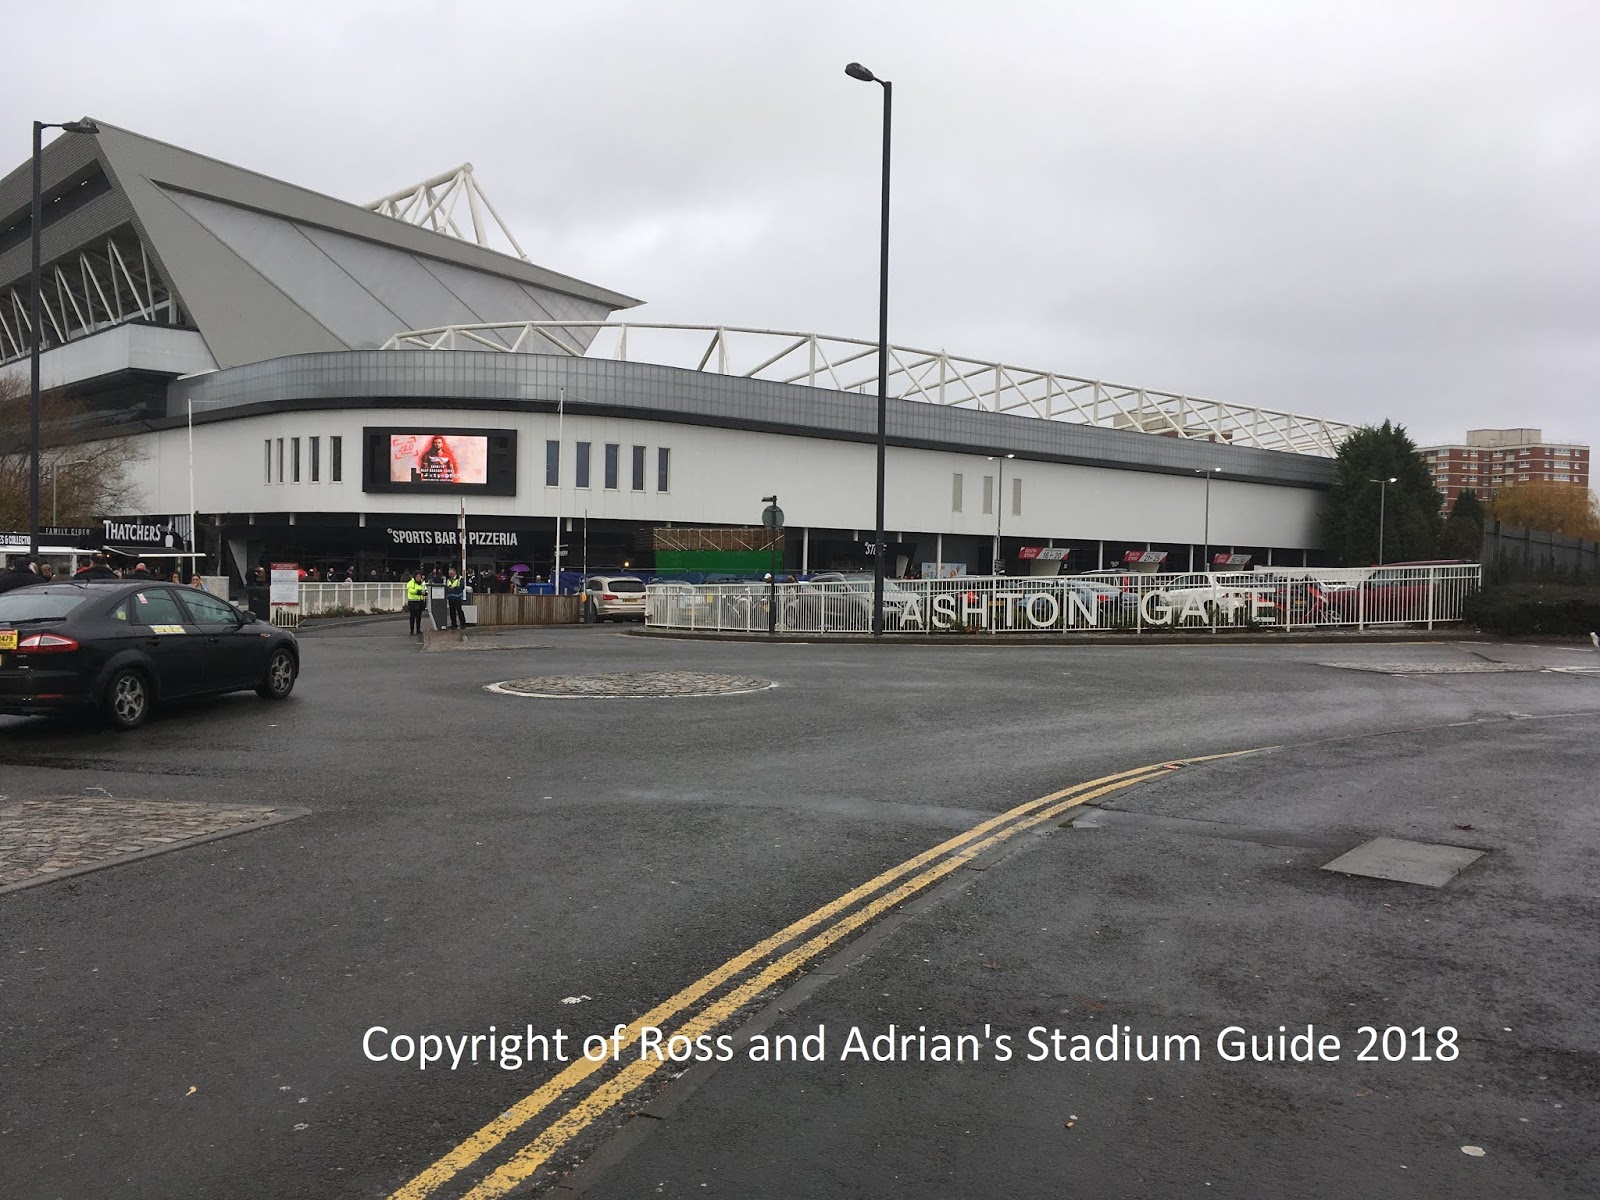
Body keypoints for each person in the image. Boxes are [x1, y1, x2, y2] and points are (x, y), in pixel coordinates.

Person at [405, 569, 428, 635]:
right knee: (412, 617)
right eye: (417, 576)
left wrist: (425, 593)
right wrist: (420, 592)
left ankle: (418, 630)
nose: (418, 578)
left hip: (420, 601)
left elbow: (425, 590)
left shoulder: (422, 583)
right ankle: (411, 630)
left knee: (419, 617)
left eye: (419, 576)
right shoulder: (410, 583)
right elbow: (411, 591)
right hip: (413, 602)